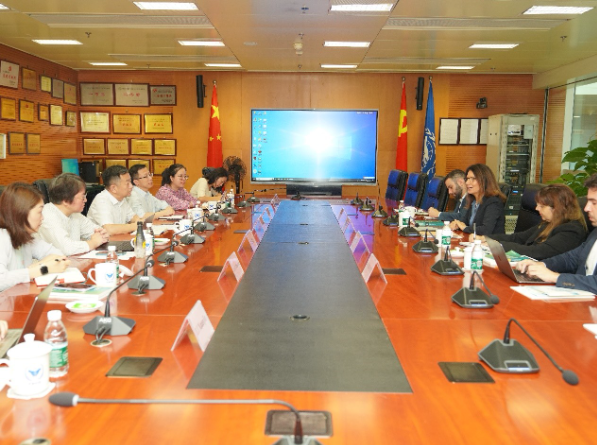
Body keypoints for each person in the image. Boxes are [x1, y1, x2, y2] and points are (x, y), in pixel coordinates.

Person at [516, 174, 597, 293]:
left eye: (594, 203)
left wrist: (555, 277)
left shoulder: (572, 229)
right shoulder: (595, 233)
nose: (586, 208)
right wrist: (542, 265)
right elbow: (571, 258)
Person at [479, 184, 587, 260]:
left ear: (557, 209)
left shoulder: (571, 231)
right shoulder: (548, 223)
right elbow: (518, 238)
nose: (536, 208)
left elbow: (537, 252)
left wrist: (498, 245)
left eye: (542, 206)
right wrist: (487, 238)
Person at [0, 183, 70, 292]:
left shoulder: (25, 236)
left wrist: (39, 266)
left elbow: (59, 255)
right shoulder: (2, 237)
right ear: (21, 212)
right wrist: (42, 269)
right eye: (39, 212)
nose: (42, 218)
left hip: (19, 297)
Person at [38, 173, 110, 255]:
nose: (85, 200)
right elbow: (67, 248)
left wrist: (103, 234)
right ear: (65, 200)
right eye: (82, 196)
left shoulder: (74, 214)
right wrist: (93, 243)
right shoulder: (47, 216)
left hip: (72, 260)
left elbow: (96, 231)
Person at [449, 164, 506, 237]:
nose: (467, 183)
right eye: (467, 179)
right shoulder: (473, 201)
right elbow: (464, 222)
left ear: (484, 181)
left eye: (473, 179)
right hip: (474, 241)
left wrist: (465, 228)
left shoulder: (493, 202)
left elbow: (485, 230)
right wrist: (457, 224)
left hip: (491, 243)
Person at [87, 165, 141, 235]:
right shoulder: (101, 200)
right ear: (113, 188)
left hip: (117, 239)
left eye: (130, 182)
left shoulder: (122, 198)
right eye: (127, 183)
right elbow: (109, 229)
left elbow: (133, 217)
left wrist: (140, 221)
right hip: (100, 241)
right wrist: (136, 226)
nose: (131, 186)